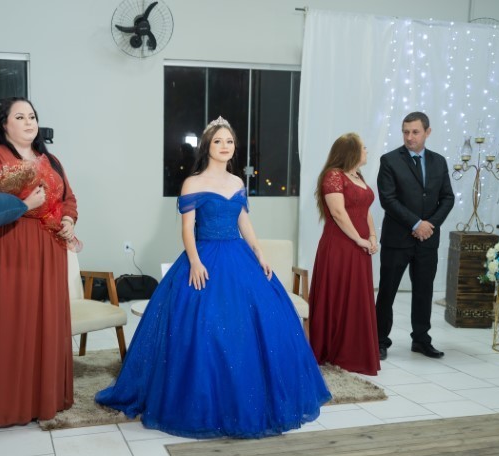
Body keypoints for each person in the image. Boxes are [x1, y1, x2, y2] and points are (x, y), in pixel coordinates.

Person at [96, 117, 331, 439]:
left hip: (238, 255)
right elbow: (187, 229)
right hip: (205, 255)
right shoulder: (193, 183)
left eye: (229, 141)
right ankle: (202, 400)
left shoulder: (236, 182)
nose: (225, 146)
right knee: (203, 323)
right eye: (218, 141)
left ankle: (253, 394)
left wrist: (260, 253)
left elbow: (244, 222)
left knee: (256, 322)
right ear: (207, 146)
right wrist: (195, 262)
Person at [0, 97, 78, 427]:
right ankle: (9, 405)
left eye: (32, 116)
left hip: (49, 249)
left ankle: (45, 398)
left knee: (46, 322)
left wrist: (69, 219)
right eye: (20, 117)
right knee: (13, 322)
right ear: (4, 124)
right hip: (6, 246)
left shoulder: (51, 160)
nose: (29, 122)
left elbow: (68, 198)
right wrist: (24, 204)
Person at [376, 112, 455, 360]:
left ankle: (421, 340)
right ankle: (379, 341)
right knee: (387, 292)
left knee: (424, 292)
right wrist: (416, 223)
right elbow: (388, 199)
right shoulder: (389, 160)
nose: (409, 137)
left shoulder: (438, 161)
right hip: (397, 239)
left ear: (427, 132)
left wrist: (429, 225)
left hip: (427, 240)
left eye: (415, 132)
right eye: (405, 132)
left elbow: (448, 198)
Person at [309, 133, 380, 375]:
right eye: (363, 147)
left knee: (356, 297)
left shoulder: (357, 176)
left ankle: (354, 351)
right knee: (339, 296)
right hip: (339, 246)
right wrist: (359, 239)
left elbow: (365, 210)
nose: (366, 151)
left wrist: (372, 236)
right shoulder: (333, 176)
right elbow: (338, 213)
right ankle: (333, 350)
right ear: (351, 151)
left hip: (359, 246)